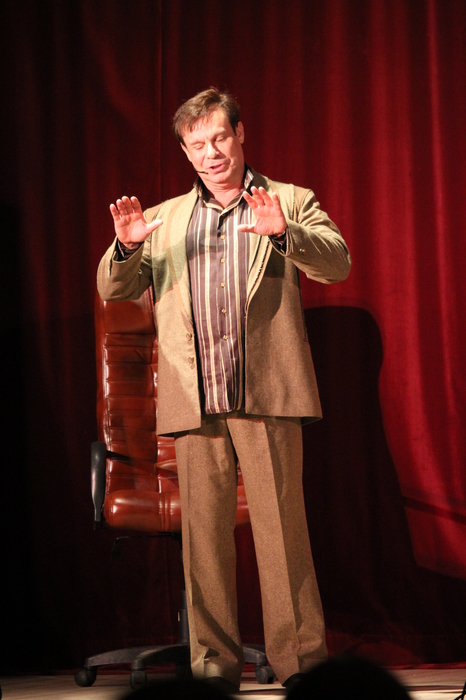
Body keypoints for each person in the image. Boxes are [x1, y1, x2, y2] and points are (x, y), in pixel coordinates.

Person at [97, 87, 351, 694]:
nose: (210, 153)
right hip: (195, 396)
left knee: (282, 534)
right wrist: (128, 245)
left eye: (219, 138)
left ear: (240, 136)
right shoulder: (163, 219)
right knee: (204, 546)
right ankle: (212, 670)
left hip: (266, 392)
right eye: (197, 144)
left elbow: (337, 262)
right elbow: (113, 287)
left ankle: (301, 666)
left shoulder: (287, 199)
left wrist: (286, 234)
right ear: (186, 153)